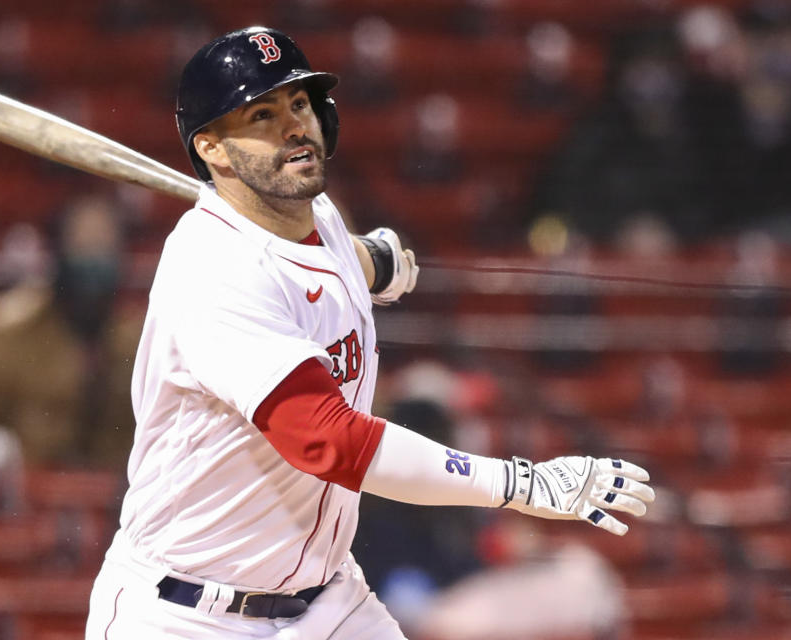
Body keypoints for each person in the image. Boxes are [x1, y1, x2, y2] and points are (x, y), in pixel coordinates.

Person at [85, 26, 655, 640]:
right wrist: (521, 483)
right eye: (262, 114)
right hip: (188, 614)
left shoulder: (318, 216)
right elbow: (331, 443)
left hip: (327, 599)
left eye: (299, 104)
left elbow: (315, 257)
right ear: (215, 150)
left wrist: (373, 261)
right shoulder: (212, 269)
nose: (293, 126)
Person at [0, 194, 141, 470]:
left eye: (104, 247)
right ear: (59, 251)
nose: (95, 260)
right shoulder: (6, 328)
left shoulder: (135, 340)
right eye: (84, 246)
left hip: (112, 496)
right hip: (28, 490)